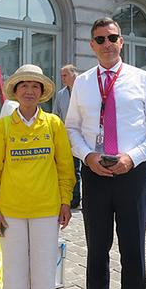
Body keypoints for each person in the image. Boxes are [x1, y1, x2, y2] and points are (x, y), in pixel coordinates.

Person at [65, 17, 146, 289]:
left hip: (133, 174)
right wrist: (86, 156)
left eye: (112, 38)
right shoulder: (83, 83)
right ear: (92, 45)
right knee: (97, 253)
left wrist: (133, 157)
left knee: (133, 254)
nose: (107, 44)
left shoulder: (142, 79)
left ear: (121, 42)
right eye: (100, 39)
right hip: (95, 174)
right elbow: (71, 128)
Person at [0, 64, 74, 289]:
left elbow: (65, 168)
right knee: (14, 278)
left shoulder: (54, 124)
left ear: (42, 91)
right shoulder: (3, 127)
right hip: (11, 213)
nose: (30, 90)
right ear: (15, 91)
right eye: (24, 85)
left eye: (35, 86)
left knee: (45, 279)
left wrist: (65, 201)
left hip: (46, 211)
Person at [53, 64, 82, 208]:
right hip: (68, 138)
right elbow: (56, 115)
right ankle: (74, 199)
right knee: (73, 169)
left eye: (65, 75)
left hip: (86, 137)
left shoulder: (84, 91)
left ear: (73, 75)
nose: (62, 78)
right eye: (61, 75)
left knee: (88, 169)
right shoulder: (60, 94)